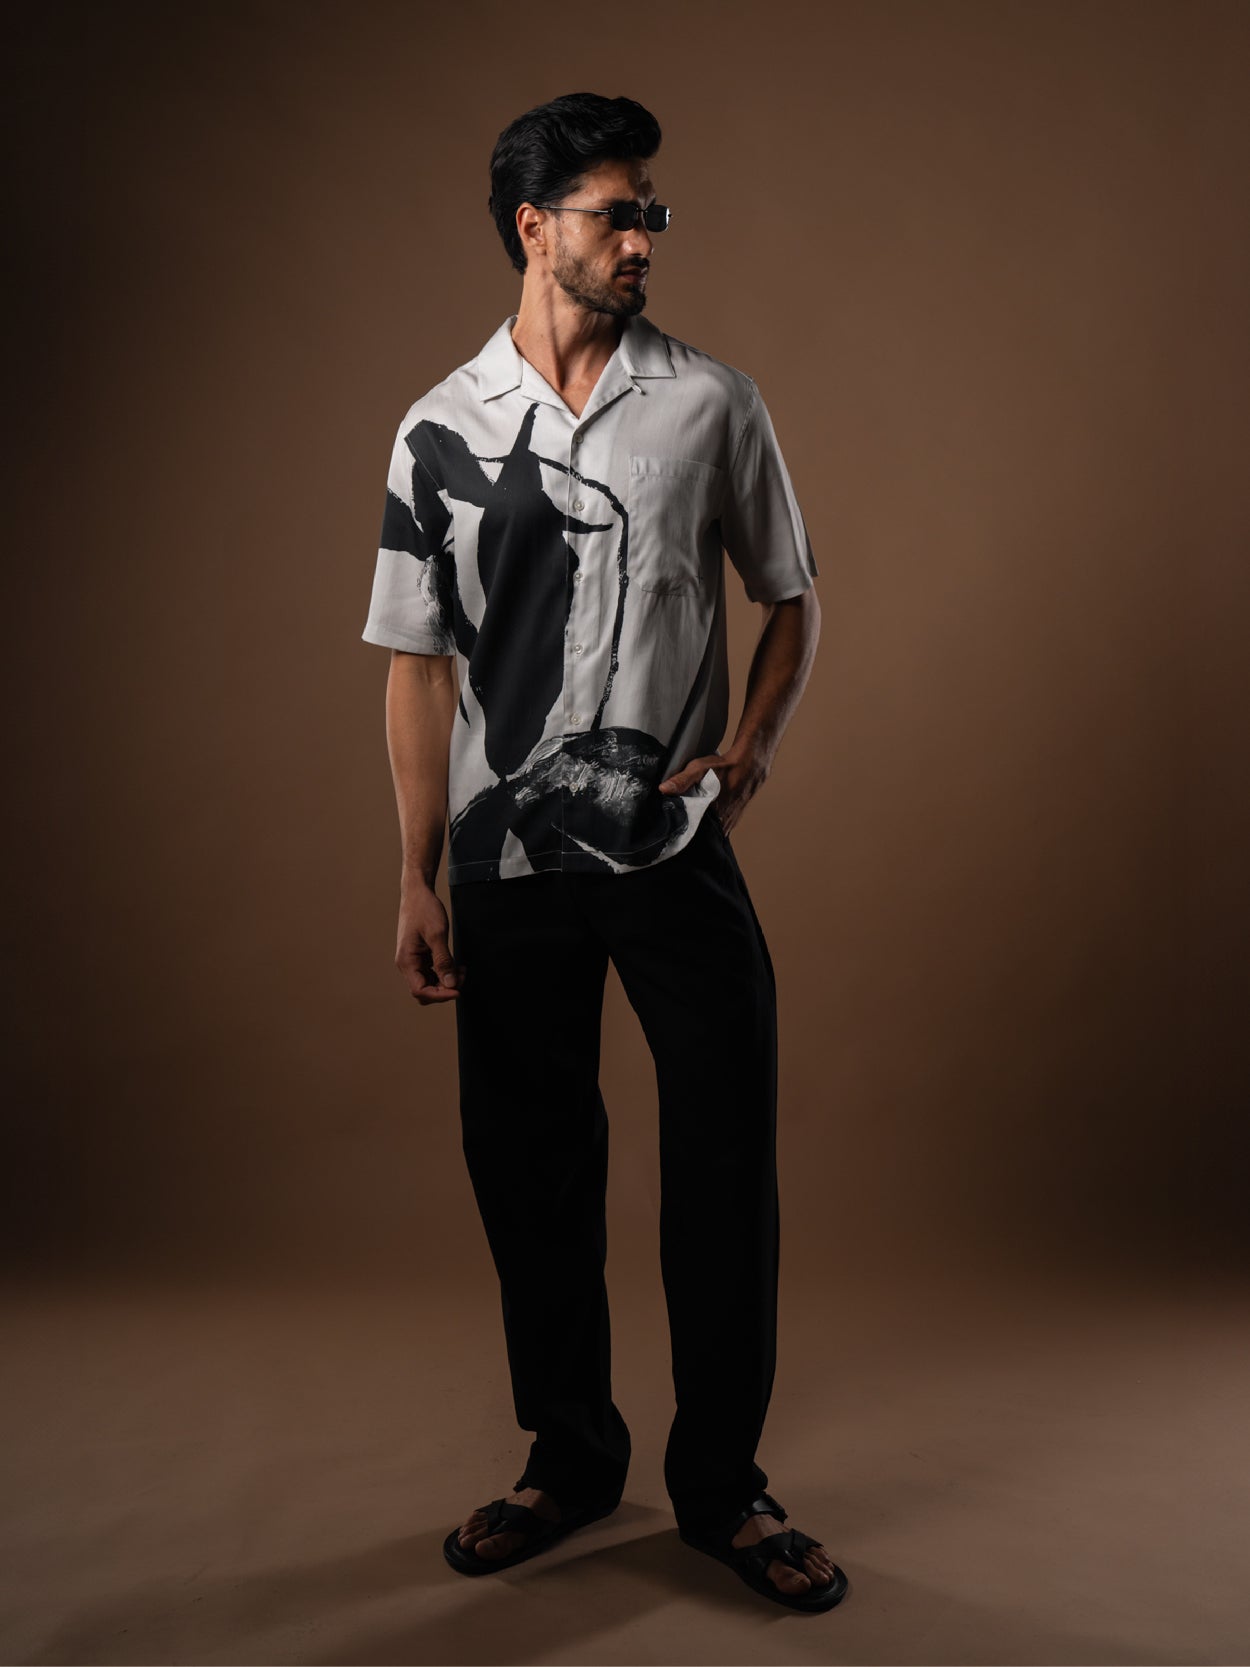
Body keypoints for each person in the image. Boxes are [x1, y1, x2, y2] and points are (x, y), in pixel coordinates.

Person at [361, 91, 849, 1615]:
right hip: (503, 860)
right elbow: (416, 665)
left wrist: (749, 747)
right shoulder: (438, 425)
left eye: (652, 215)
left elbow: (792, 595)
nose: (642, 239)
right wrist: (416, 872)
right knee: (529, 1174)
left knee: (721, 1167)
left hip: (668, 844)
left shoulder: (711, 403)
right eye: (615, 214)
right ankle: (567, 1459)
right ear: (534, 228)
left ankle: (724, 1489)